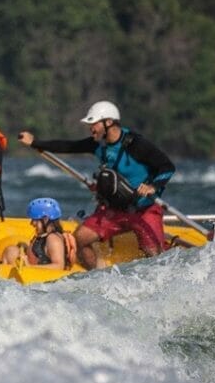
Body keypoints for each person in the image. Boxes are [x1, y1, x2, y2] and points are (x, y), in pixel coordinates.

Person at [17, 100, 176, 269]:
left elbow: (167, 167)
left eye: (94, 124)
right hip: (114, 210)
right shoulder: (98, 144)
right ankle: (97, 276)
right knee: (80, 239)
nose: (90, 128)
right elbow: (69, 146)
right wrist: (35, 142)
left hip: (143, 210)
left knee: (154, 256)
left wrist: (153, 186)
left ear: (108, 123)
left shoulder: (136, 144)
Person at [0, 198, 77, 269]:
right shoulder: (44, 235)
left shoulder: (53, 239)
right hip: (34, 272)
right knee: (11, 251)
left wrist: (29, 267)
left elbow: (59, 266)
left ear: (45, 219)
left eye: (35, 220)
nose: (32, 223)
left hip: (40, 277)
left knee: (11, 253)